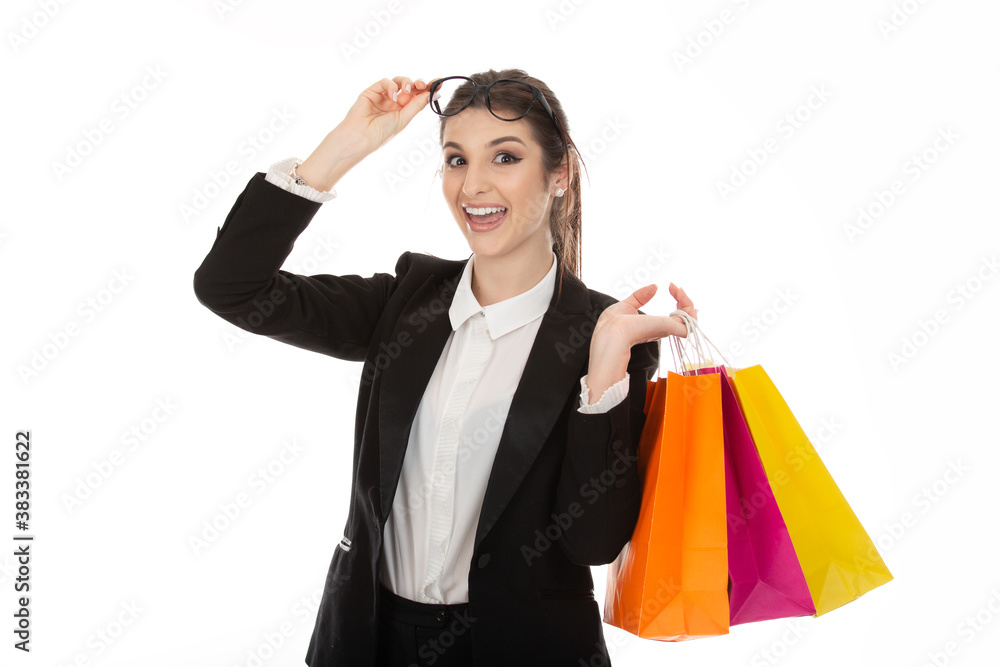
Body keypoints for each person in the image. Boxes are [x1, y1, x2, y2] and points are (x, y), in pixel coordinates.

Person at [193, 68, 698, 667]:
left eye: (505, 157)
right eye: (456, 160)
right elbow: (232, 287)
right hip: (368, 641)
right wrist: (343, 148)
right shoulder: (405, 301)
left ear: (559, 173)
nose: (472, 186)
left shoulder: (606, 336)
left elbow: (593, 542)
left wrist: (605, 372)